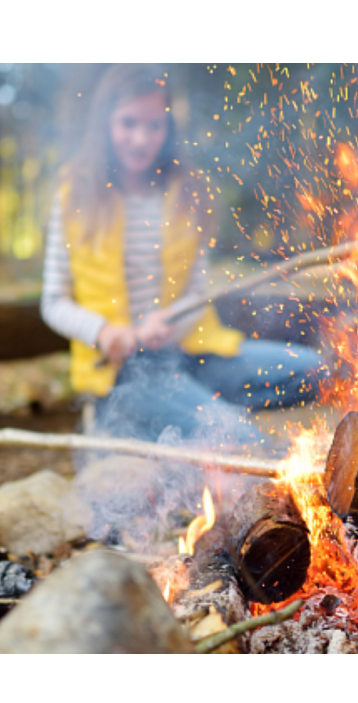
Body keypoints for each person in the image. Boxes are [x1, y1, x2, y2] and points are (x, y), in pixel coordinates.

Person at [41, 64, 326, 447]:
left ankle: (195, 413)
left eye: (154, 126)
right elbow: (54, 301)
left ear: (168, 128)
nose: (141, 139)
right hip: (124, 372)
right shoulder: (75, 195)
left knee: (320, 372)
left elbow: (196, 291)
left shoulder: (189, 193)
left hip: (195, 354)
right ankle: (172, 418)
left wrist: (173, 326)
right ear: (105, 122)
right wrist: (104, 332)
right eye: (129, 123)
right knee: (239, 438)